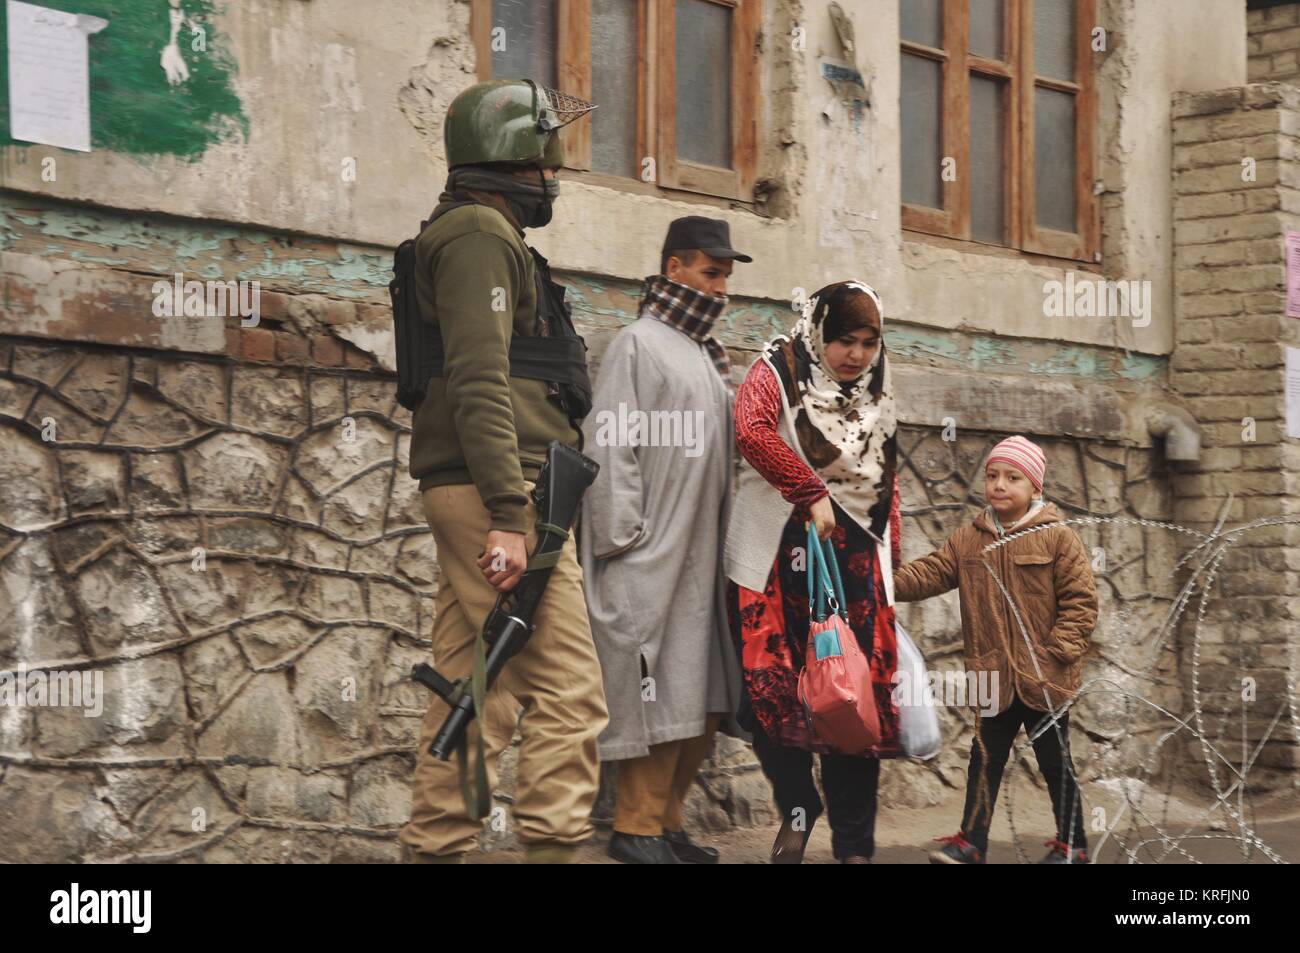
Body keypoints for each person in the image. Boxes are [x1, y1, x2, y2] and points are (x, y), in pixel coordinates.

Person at [398, 79, 608, 864]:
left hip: (490, 491)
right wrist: (512, 515)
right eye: (548, 153)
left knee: (473, 687)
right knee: (568, 690)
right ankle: (555, 847)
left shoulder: (478, 231)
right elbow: (481, 378)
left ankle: (433, 847)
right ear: (521, 155)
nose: (555, 170)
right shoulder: (481, 232)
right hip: (503, 494)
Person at [580, 216, 750, 865]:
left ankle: (669, 823)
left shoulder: (704, 352)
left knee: (702, 691)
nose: (722, 286)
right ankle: (635, 827)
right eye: (712, 271)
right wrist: (625, 538)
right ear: (675, 268)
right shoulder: (638, 343)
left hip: (702, 554)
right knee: (656, 688)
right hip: (653, 553)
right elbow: (609, 441)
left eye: (727, 274)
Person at [725, 280, 903, 865]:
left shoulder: (876, 387)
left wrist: (891, 559)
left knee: (855, 706)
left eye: (868, 343)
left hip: (855, 567)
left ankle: (855, 850)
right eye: (843, 341)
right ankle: (799, 808)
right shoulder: (777, 368)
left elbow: (885, 479)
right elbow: (750, 430)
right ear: (817, 331)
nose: (855, 355)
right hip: (776, 560)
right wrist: (808, 488)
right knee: (771, 701)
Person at [893, 435, 1098, 864]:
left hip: (1044, 676)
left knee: (1055, 763)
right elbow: (932, 571)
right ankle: (971, 842)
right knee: (984, 759)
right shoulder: (970, 538)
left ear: (1035, 487)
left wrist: (1057, 651)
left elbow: (1081, 601)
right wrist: (883, 583)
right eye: (992, 476)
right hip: (991, 675)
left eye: (1012, 477)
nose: (999, 485)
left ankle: (1073, 844)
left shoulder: (1057, 537)